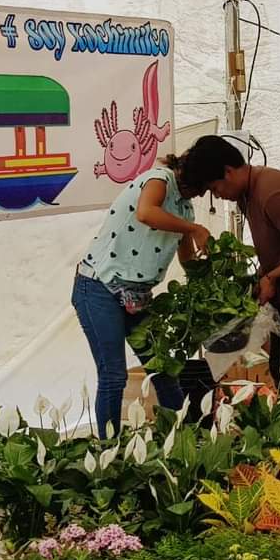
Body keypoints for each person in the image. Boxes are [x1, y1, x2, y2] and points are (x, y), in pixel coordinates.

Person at [183, 136, 280, 394]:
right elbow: (279, 243)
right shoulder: (248, 193)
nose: (217, 195)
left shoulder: (271, 193)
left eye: (214, 188)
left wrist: (273, 277)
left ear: (228, 172)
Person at [73, 153, 210, 439]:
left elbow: (187, 259)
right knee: (114, 375)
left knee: (164, 368)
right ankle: (109, 452)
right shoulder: (159, 179)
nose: (206, 192)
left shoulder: (185, 209)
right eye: (207, 184)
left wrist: (211, 275)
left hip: (138, 296)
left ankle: (181, 441)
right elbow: (146, 213)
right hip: (99, 287)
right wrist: (193, 229)